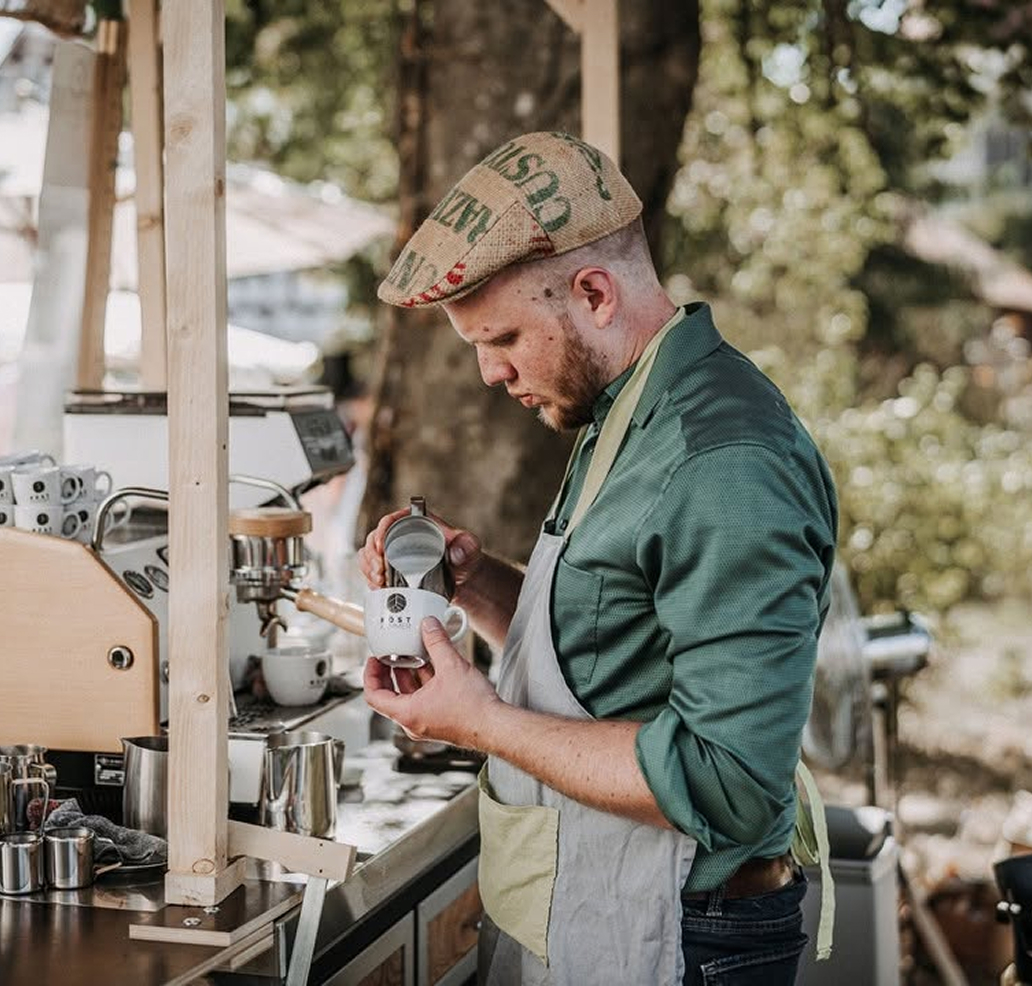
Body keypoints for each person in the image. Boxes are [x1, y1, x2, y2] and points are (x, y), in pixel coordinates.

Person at [359, 131, 838, 986]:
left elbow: (731, 784)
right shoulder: (628, 410)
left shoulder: (720, 460)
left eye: (502, 336)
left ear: (593, 292)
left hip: (686, 933)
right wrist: (474, 585)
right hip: (599, 905)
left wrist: (480, 723)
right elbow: (612, 639)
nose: (488, 373)